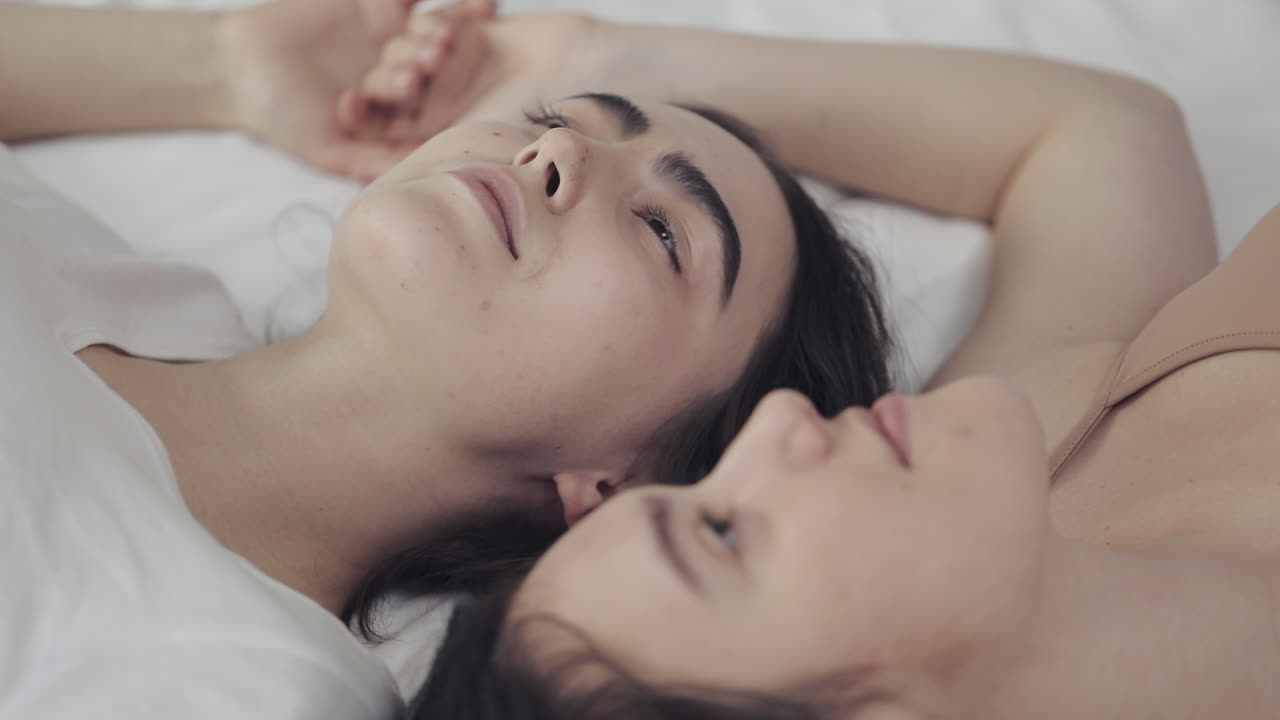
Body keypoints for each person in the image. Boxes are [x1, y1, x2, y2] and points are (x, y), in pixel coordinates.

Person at [0, 0, 896, 717]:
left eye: (664, 230)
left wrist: (586, 44)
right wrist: (223, 65)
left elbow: (1045, 145)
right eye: (556, 114)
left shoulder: (249, 682)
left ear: (625, 490)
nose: (558, 148)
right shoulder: (117, 277)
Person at [400, 12, 1280, 720]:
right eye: (724, 534)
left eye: (700, 494)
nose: (781, 423)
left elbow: (1107, 134)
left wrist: (594, 59)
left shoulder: (1014, 476)